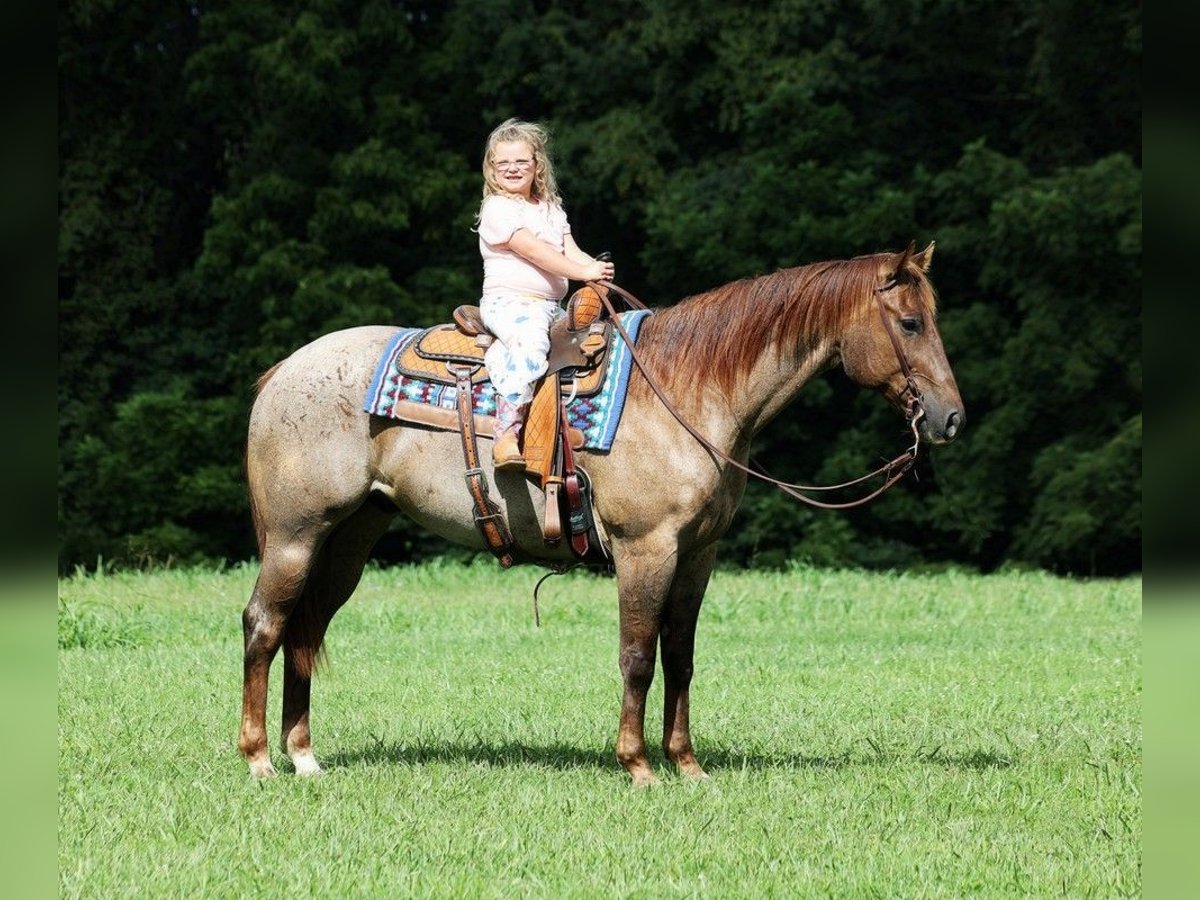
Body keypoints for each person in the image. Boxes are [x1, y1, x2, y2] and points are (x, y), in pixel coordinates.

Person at [474, 118, 614, 470]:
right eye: (502, 163)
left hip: (551, 306)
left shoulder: (550, 209)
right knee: (531, 344)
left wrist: (597, 271)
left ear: (537, 163)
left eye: (521, 161)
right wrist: (583, 273)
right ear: (491, 168)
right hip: (510, 303)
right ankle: (505, 433)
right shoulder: (497, 208)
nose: (512, 169)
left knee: (597, 342)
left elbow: (571, 251)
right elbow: (532, 250)